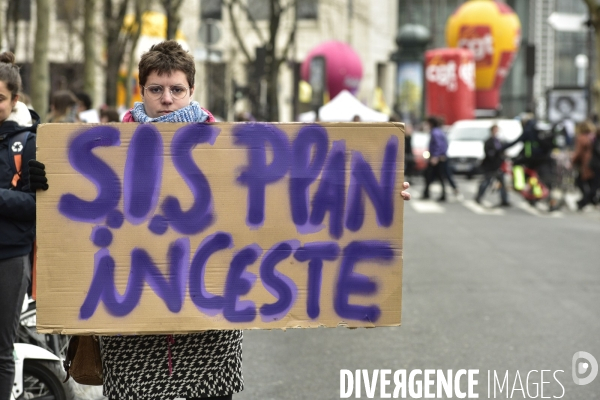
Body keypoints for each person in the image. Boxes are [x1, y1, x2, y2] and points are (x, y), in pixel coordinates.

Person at [0, 51, 48, 400]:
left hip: (10, 257)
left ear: (14, 99)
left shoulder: (30, 142)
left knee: (1, 349)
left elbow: (37, 206)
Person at [475, 124, 510, 207]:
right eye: (495, 130)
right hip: (490, 166)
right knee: (486, 182)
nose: (496, 132)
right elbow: (489, 154)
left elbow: (501, 151)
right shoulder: (488, 141)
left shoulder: (499, 141)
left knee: (502, 183)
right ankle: (478, 197)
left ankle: (504, 200)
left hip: (498, 165)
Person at [422, 116, 448, 201]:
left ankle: (427, 193)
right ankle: (427, 193)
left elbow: (438, 145)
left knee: (430, 176)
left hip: (436, 159)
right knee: (438, 177)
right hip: (439, 158)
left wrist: (435, 156)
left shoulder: (435, 132)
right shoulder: (440, 131)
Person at [571, 121, 596, 208]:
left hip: (586, 163)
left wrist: (572, 161)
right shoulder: (593, 136)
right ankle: (589, 200)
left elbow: (578, 152)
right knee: (592, 183)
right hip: (594, 163)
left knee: (579, 182)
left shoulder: (581, 138)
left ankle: (584, 201)